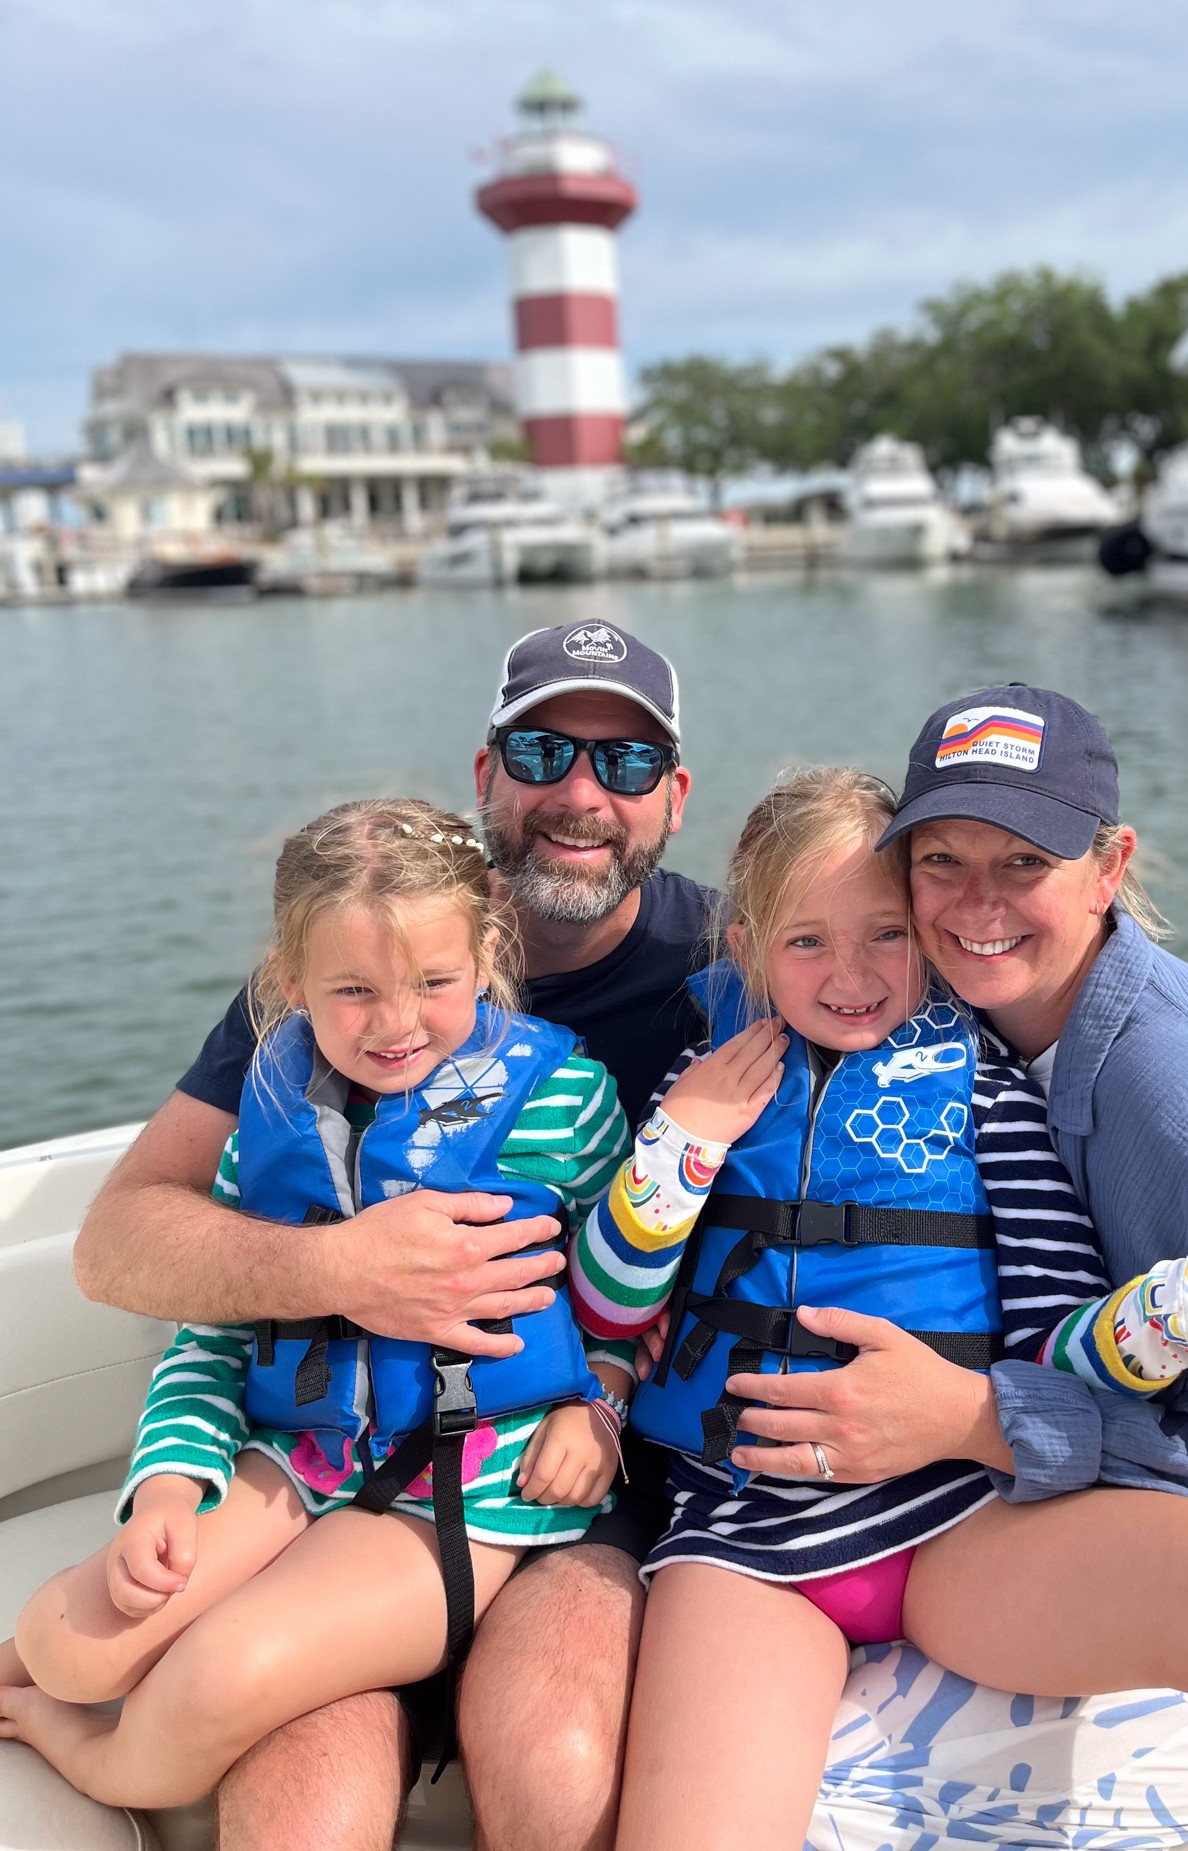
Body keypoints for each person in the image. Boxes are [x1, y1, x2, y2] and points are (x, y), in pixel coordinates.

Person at [587, 768, 1188, 1851]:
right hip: (749, 1539)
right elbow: (611, 1298)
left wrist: (1178, 1309)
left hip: (958, 1531)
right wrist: (684, 1140)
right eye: (807, 942)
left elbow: (1063, 1343)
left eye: (884, 935)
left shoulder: (987, 1097)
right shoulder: (706, 1086)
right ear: (744, 946)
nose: (853, 975)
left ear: (924, 936)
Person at [67, 621, 714, 1850]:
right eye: (543, 751)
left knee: (557, 1762)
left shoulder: (735, 967)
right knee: (301, 1817)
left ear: (672, 799)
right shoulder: (343, 965)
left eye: (625, 765)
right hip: (337, 1470)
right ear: (486, 777)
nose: (582, 794)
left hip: (573, 1477)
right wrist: (338, 1271)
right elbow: (116, 1244)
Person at [711, 686, 1188, 1731]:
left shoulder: (1181, 1096)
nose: (974, 906)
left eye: (1025, 864)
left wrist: (970, 1417)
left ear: (1111, 869)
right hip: (1037, 1538)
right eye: (942, 861)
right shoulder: (963, 1013)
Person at [0, 797, 633, 1808]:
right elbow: (214, 1333)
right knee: (68, 1645)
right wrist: (169, 1487)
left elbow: (623, 1291)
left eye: (435, 983)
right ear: (288, 983)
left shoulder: (567, 1101)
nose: (397, 1023)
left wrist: (598, 1398)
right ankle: (59, 1684)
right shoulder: (271, 1120)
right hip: (297, 1457)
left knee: (213, 1679)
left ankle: (88, 1755)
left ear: (486, 957)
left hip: (469, 1485)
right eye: (352, 990)